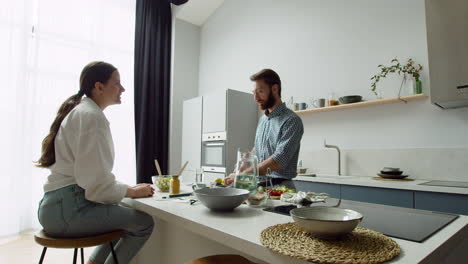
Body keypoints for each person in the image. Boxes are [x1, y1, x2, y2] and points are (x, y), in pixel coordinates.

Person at [36, 61, 154, 264]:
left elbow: (92, 179)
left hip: (55, 207)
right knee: (143, 223)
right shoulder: (92, 117)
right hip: (69, 210)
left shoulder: (81, 112)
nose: (123, 89)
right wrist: (131, 191)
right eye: (117, 83)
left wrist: (124, 190)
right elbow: (95, 184)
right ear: (99, 87)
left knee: (120, 217)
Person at [225, 69, 304, 189]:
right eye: (254, 92)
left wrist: (243, 174)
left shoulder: (292, 120)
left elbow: (278, 160)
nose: (256, 98)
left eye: (260, 91)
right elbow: (257, 150)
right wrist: (243, 165)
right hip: (259, 186)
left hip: (280, 188)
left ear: (275, 89)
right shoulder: (263, 120)